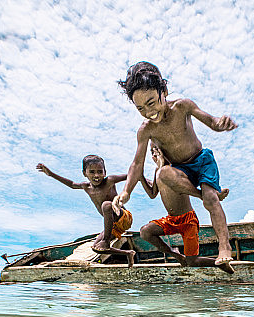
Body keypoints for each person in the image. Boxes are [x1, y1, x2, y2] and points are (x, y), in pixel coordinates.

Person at [114, 61, 235, 266]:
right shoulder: (146, 130)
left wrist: (220, 124)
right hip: (181, 171)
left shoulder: (183, 106)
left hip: (201, 161)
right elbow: (137, 163)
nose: (148, 112)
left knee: (211, 200)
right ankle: (205, 195)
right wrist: (126, 192)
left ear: (164, 91)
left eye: (151, 103)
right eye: (140, 108)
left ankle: (225, 246)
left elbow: (211, 121)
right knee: (163, 174)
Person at [136, 142, 235, 274]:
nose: (154, 155)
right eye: (152, 152)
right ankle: (175, 254)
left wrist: (209, 194)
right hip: (171, 220)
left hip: (188, 221)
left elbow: (186, 184)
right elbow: (152, 194)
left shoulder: (175, 170)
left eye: (157, 151)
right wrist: (140, 176)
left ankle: (219, 264)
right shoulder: (157, 171)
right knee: (145, 232)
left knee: (192, 262)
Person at [36, 155, 136, 266]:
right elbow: (72, 184)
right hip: (112, 224)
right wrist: (51, 174)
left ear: (105, 172)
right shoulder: (86, 186)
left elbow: (132, 175)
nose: (96, 175)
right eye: (92, 172)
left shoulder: (110, 180)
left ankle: (106, 240)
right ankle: (128, 253)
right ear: (84, 173)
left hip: (123, 217)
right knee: (96, 248)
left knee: (106, 205)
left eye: (100, 171)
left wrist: (147, 181)